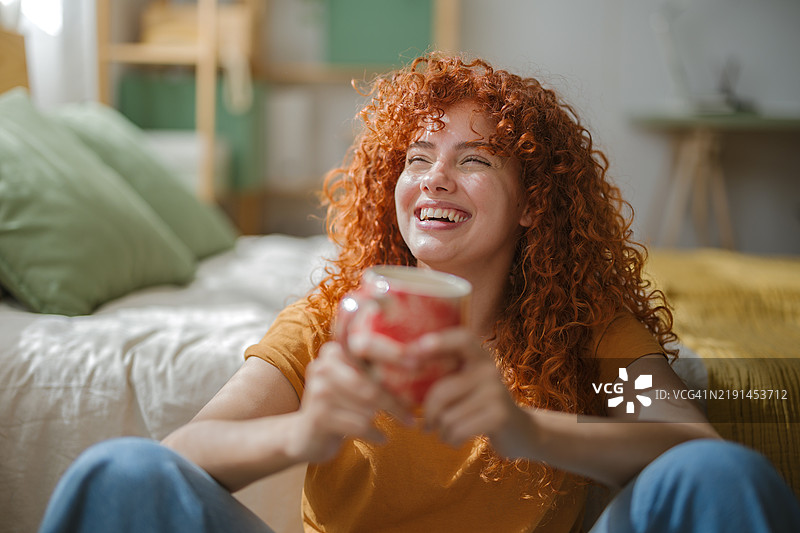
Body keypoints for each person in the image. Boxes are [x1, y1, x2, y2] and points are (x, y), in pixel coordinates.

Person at [39, 53, 800, 533]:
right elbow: (184, 453)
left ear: (533, 203)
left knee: (721, 476)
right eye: (418, 157)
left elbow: (690, 448)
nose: (435, 178)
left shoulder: (587, 330)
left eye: (475, 160)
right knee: (118, 473)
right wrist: (303, 434)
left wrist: (524, 428)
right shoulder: (325, 323)